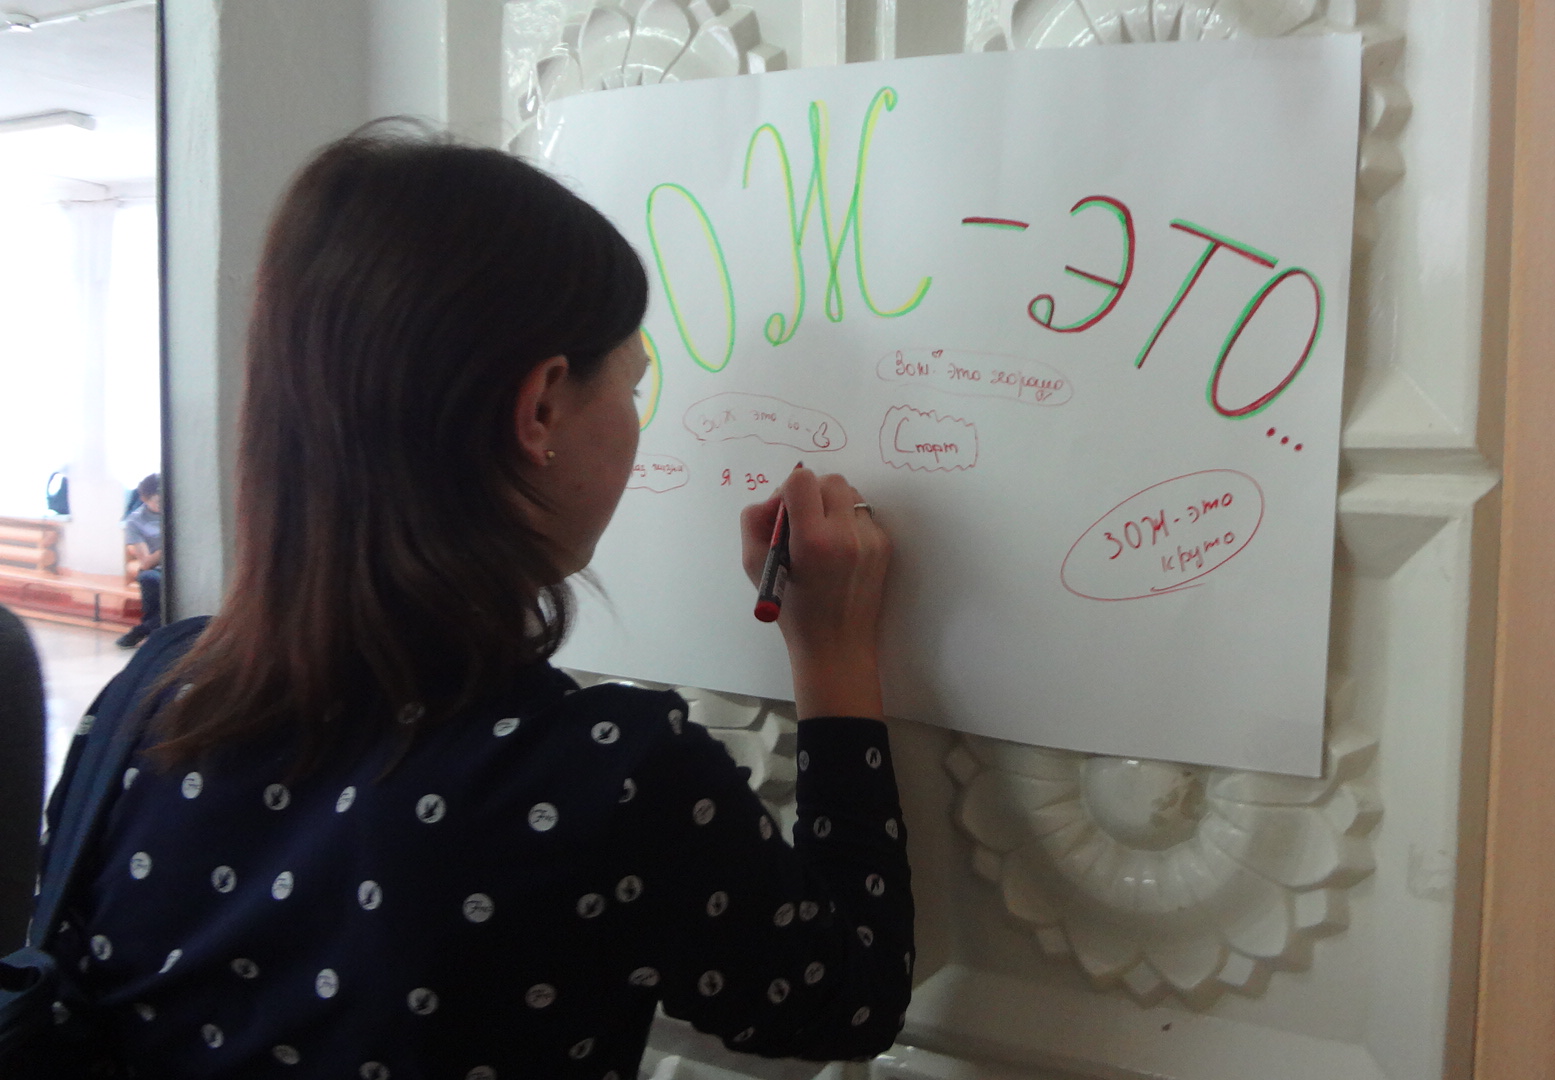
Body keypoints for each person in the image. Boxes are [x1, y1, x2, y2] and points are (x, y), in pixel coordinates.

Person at [37, 126, 909, 1077]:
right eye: (633, 384)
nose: (634, 423)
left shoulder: (152, 696)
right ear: (541, 407)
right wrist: (833, 653)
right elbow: (848, 1000)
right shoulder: (604, 777)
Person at [118, 473, 164, 648]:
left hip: (183, 566)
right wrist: (168, 546)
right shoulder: (136, 520)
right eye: (158, 500)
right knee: (150, 579)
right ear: (145, 499)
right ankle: (153, 632)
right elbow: (146, 563)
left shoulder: (180, 511)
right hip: (156, 568)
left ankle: (143, 630)